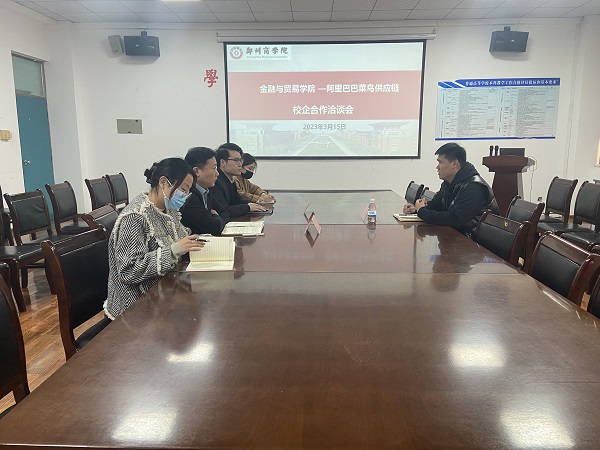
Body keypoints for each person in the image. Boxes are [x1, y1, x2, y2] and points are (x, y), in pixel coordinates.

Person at [104, 157, 205, 319]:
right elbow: (128, 271)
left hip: (165, 293)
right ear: (163, 182)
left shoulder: (167, 209)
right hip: (135, 307)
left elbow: (181, 236)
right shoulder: (135, 217)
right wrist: (173, 251)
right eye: (183, 189)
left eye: (187, 192)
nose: (185, 196)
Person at [403, 143, 498, 236]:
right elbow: (436, 206)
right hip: (455, 236)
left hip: (472, 242)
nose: (437, 167)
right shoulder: (449, 183)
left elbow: (455, 219)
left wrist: (423, 212)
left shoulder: (474, 187)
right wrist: (416, 209)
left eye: (440, 162)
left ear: (454, 164)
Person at [180, 146, 230, 235]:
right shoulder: (188, 196)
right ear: (196, 171)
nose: (217, 173)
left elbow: (225, 213)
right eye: (214, 168)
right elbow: (214, 228)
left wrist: (215, 218)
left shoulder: (206, 191)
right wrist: (215, 215)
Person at [210, 143, 267, 217]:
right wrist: (247, 207)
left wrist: (251, 204)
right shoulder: (215, 182)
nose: (240, 164)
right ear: (222, 162)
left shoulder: (230, 180)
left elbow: (238, 200)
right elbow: (224, 210)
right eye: (236, 160)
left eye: (240, 160)